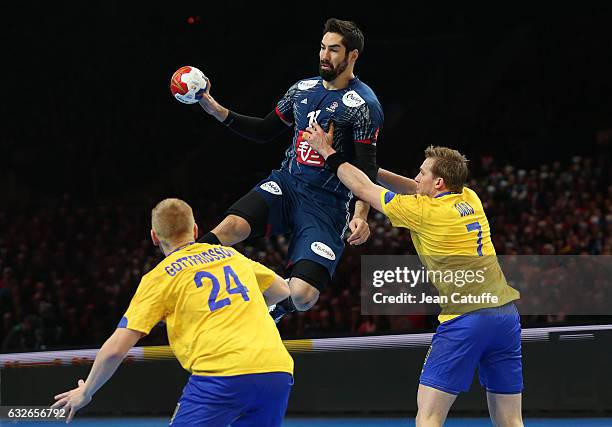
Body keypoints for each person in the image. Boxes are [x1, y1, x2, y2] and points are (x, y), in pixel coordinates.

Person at [304, 123, 523, 427]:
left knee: (429, 417)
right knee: (511, 421)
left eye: (423, 173)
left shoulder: (423, 213)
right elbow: (412, 187)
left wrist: (326, 151)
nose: (417, 177)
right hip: (505, 318)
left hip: (466, 320)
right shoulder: (469, 198)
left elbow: (364, 191)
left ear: (440, 184)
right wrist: (371, 167)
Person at [197, 18, 383, 322]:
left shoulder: (364, 105)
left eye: (334, 50)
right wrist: (215, 109)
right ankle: (179, 276)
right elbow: (264, 130)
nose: (324, 55)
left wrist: (361, 215)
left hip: (327, 205)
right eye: (322, 47)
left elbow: (367, 168)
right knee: (229, 228)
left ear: (353, 56)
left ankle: (272, 312)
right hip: (287, 185)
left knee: (303, 296)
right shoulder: (301, 90)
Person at [51, 198, 294, 426]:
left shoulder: (160, 277)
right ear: (196, 231)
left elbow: (116, 349)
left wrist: (87, 391)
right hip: (277, 372)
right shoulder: (231, 255)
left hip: (222, 375)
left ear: (154, 237)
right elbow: (282, 289)